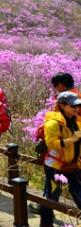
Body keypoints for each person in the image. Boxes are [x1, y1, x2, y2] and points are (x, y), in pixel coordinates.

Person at [31, 72, 78, 214]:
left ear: (61, 85)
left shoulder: (63, 100)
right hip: (74, 148)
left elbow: (59, 124)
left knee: (54, 175)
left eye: (56, 86)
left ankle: (46, 206)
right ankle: (46, 205)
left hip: (64, 147)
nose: (56, 89)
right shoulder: (77, 96)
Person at [39, 91, 81, 227]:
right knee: (52, 198)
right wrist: (72, 139)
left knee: (78, 194)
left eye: (78, 105)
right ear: (62, 105)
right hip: (56, 167)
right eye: (72, 106)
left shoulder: (78, 122)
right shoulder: (53, 123)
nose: (76, 108)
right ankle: (46, 224)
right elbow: (51, 144)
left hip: (74, 166)